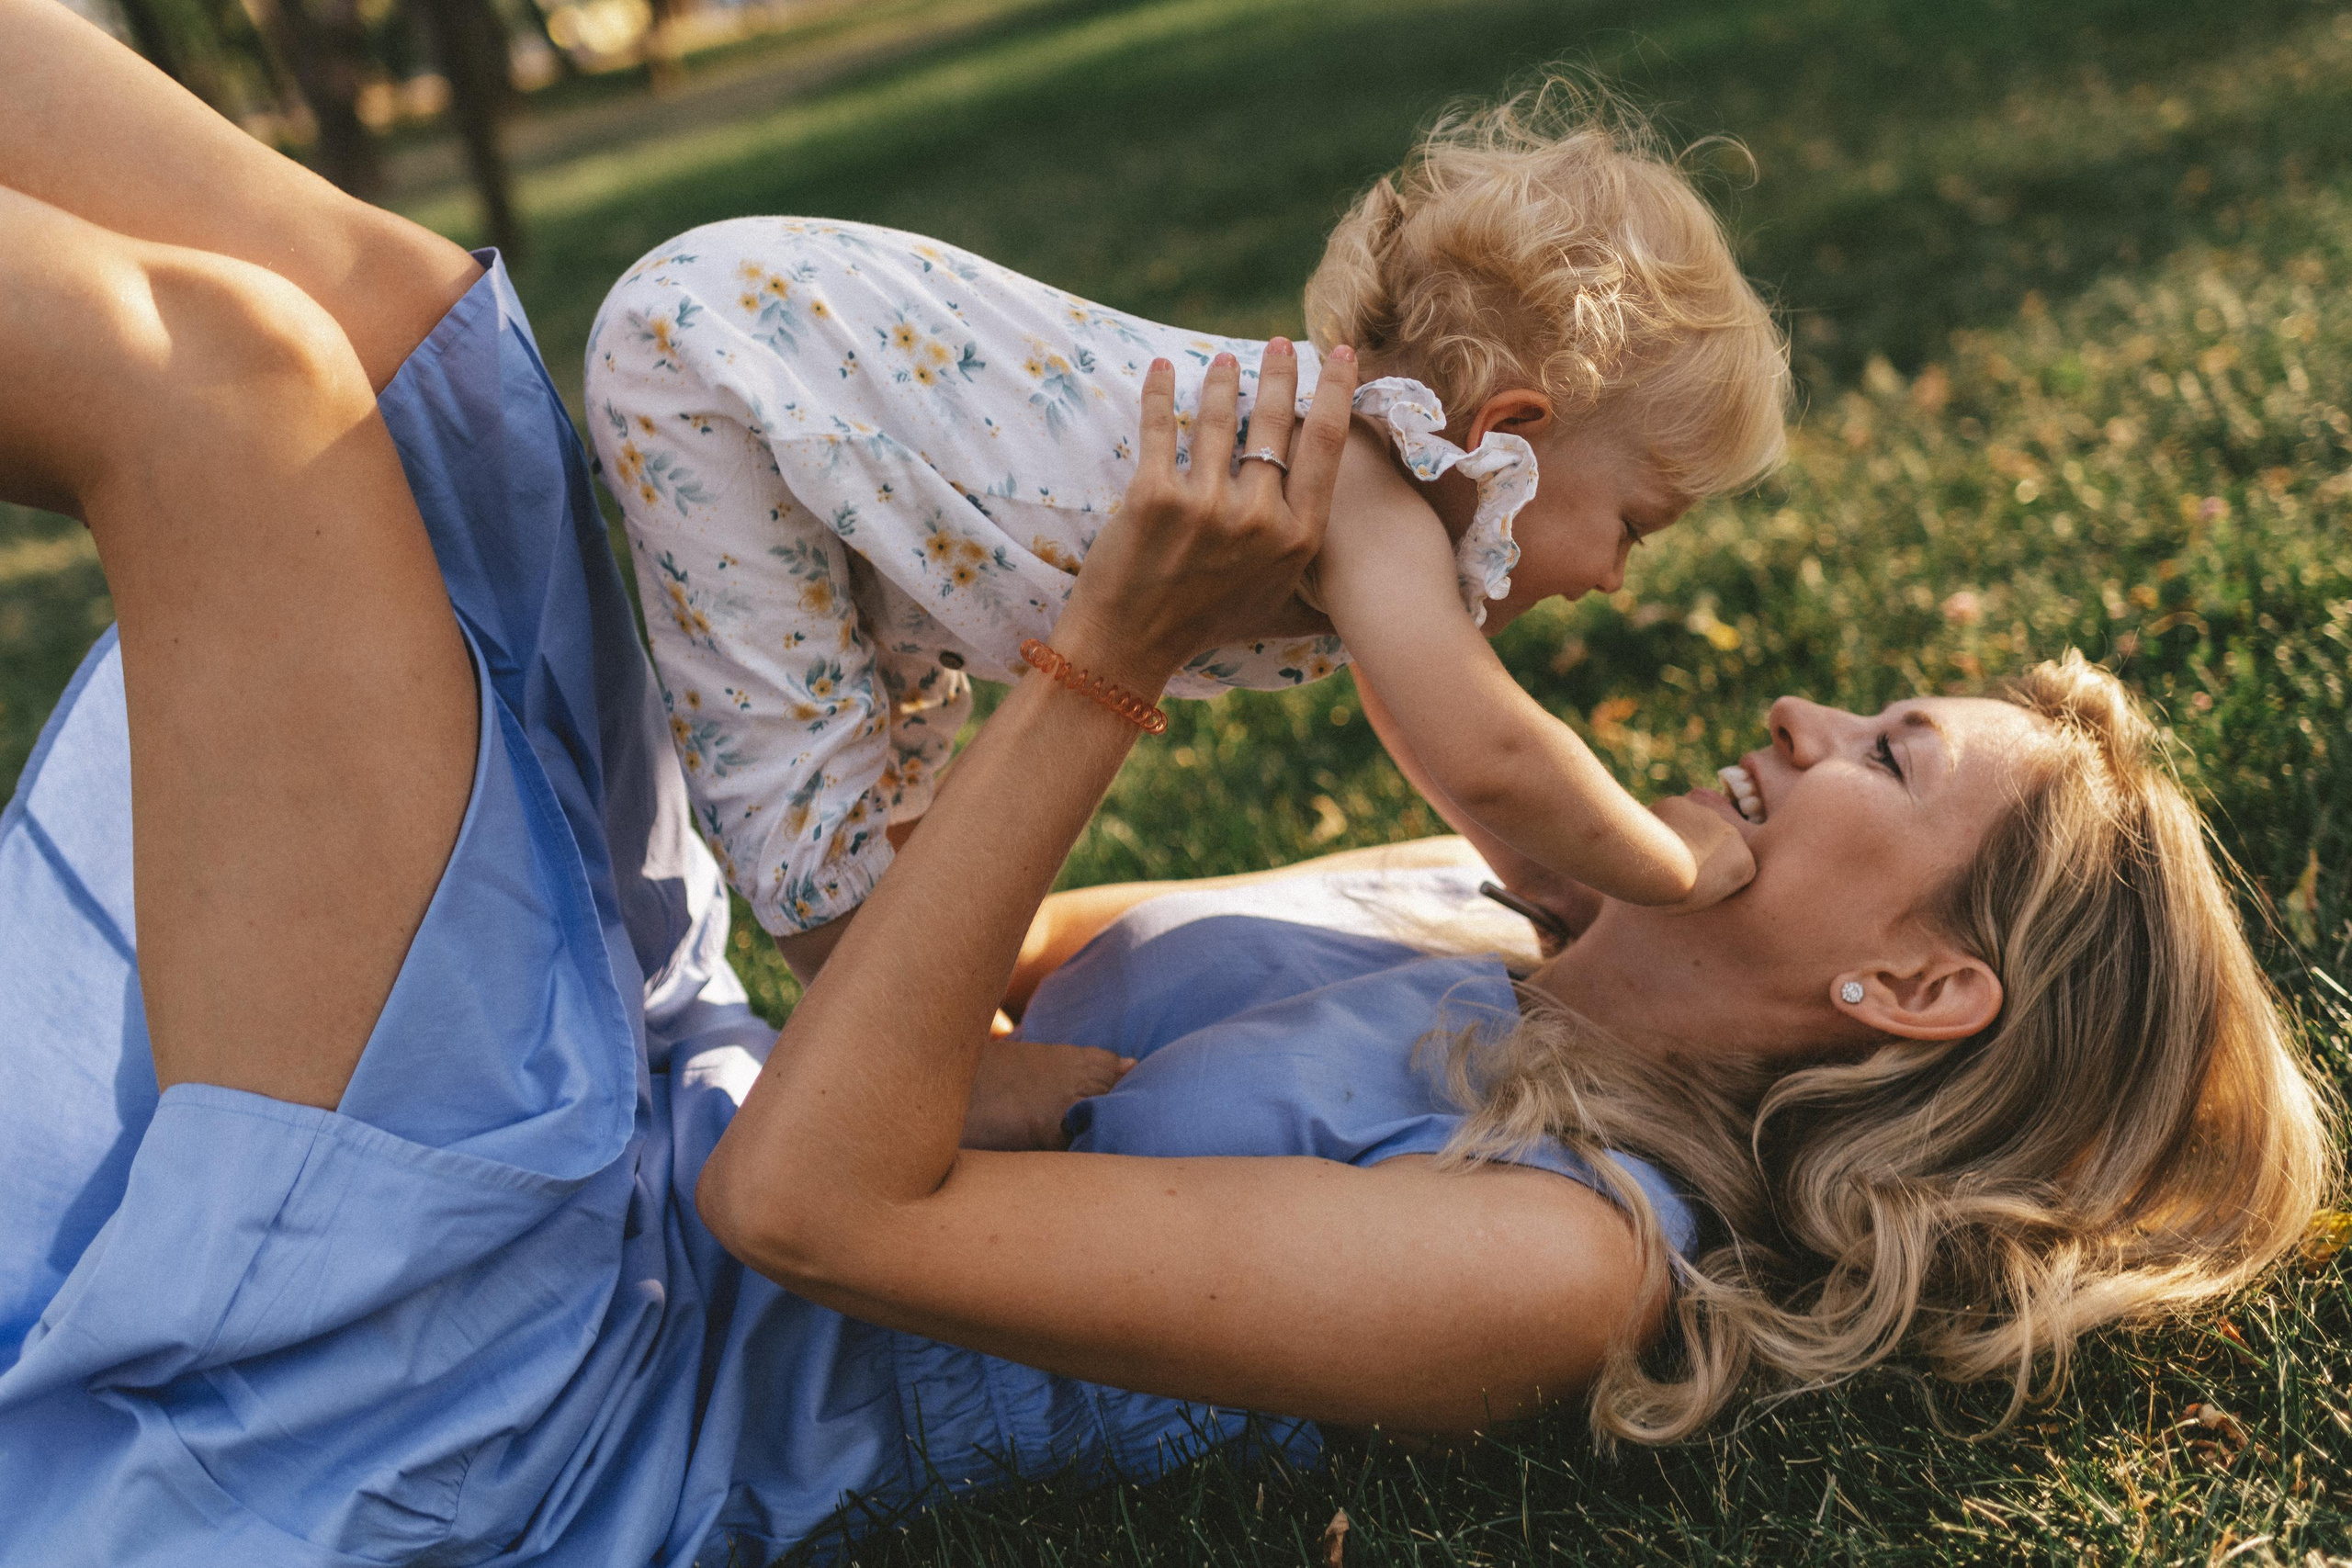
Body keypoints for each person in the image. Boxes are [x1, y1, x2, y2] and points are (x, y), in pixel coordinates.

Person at [0, 11, 2333, 1568]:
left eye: (1889, 755)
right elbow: (908, 999)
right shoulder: (1449, 903)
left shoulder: (1554, 1255)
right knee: (386, 318)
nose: (1813, 719)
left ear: (1918, 980)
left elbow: (812, 1194)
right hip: (631, 1073)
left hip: (514, 1383)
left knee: (224, 381)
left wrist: (1102, 664)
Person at [584, 95, 1791, 978]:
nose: (1615, 576)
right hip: (723, 357)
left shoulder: (1371, 516)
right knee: (796, 754)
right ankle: (938, 1061)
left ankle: (942, 1023)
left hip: (846, 441)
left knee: (889, 759)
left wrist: (1533, 874)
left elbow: (1417, 711)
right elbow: (1491, 752)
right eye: (1633, 525)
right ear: (1511, 431)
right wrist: (1675, 866)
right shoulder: (1360, 484)